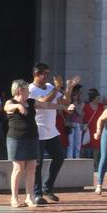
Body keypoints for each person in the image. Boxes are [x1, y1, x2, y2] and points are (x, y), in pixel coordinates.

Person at [30, 64, 76, 205]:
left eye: (48, 74)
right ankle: (37, 194)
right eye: (44, 73)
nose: (46, 77)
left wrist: (69, 88)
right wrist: (56, 88)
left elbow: (65, 102)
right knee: (37, 164)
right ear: (36, 74)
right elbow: (43, 102)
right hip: (37, 130)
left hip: (51, 131)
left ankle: (47, 187)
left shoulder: (50, 87)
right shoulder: (31, 89)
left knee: (59, 157)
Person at [4, 81, 43, 208]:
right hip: (16, 139)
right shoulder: (10, 102)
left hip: (32, 138)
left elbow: (46, 105)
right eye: (27, 90)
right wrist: (18, 107)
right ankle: (14, 198)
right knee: (18, 168)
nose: (29, 92)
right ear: (20, 90)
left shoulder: (31, 102)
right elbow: (6, 108)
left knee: (32, 167)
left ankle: (29, 197)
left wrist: (64, 108)